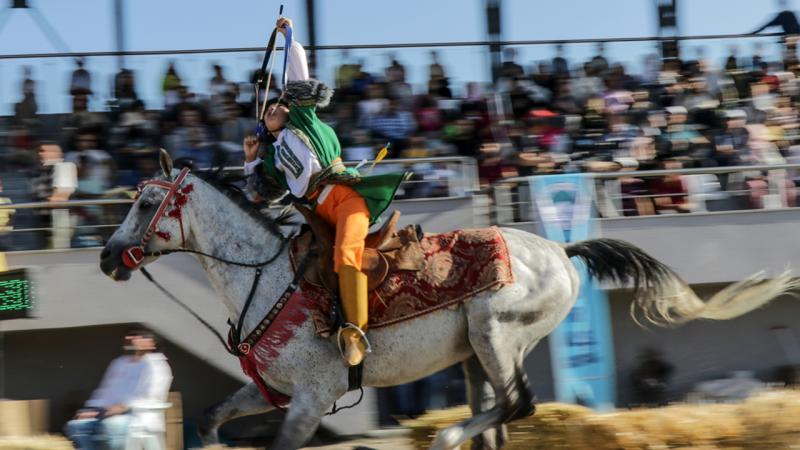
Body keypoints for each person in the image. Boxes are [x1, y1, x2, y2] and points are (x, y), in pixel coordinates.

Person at [243, 17, 407, 367]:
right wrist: (250, 160)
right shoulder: (272, 155)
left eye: (279, 105)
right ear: (267, 129)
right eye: (270, 110)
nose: (274, 107)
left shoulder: (303, 120)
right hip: (319, 211)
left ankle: (355, 336)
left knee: (345, 254)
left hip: (345, 197)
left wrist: (290, 39)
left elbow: (297, 79)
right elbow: (260, 195)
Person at [64, 329, 173, 450]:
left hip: (136, 415)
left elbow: (152, 396)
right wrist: (91, 408)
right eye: (131, 337)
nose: (132, 339)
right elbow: (104, 391)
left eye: (138, 337)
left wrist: (124, 407)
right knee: (77, 426)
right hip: (106, 413)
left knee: (112, 426)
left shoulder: (157, 365)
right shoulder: (119, 363)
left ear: (151, 343)